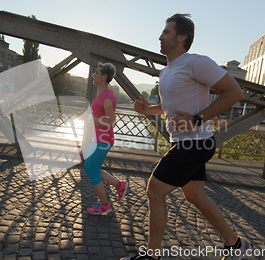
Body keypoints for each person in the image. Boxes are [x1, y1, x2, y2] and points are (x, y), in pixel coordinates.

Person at [122, 14, 251, 260]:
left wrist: (197, 118)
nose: (160, 37)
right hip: (185, 142)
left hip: (195, 142)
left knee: (154, 191)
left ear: (182, 37)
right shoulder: (166, 71)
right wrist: (148, 110)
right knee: (195, 196)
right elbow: (169, 105)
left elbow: (235, 92)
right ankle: (235, 244)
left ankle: (152, 256)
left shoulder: (196, 63)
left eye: (166, 32)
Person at [84, 62, 128, 215]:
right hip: (98, 139)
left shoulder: (107, 98)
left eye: (96, 73)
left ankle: (104, 205)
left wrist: (91, 119)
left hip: (104, 140)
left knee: (93, 170)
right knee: (89, 167)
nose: (93, 75)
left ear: (104, 77)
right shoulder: (100, 94)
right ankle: (119, 185)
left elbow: (111, 122)